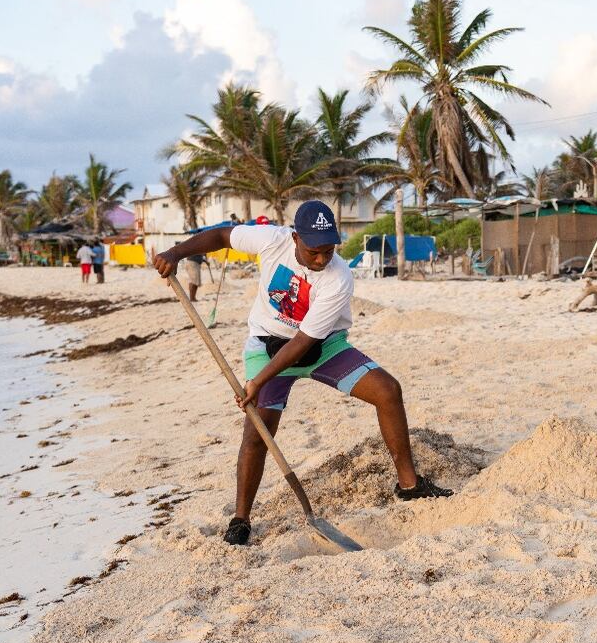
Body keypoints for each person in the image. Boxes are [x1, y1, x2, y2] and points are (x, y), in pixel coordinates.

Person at [152, 200, 452, 546]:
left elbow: (305, 340)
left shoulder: (339, 276)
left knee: (388, 391)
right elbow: (221, 235)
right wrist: (175, 253)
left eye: (329, 250)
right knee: (258, 431)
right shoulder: (271, 239)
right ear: (295, 238)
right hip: (267, 345)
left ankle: (410, 486)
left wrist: (258, 381)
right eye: (314, 252)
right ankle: (240, 518)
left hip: (323, 348)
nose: (322, 259)